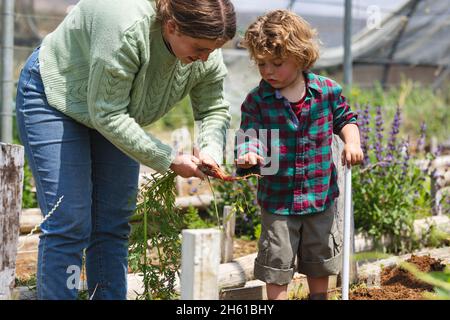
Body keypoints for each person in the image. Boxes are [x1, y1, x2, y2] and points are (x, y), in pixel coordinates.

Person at [15, 0, 236, 300]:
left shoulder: (205, 47)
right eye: (199, 49)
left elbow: (213, 108)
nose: (205, 58)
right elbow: (107, 114)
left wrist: (210, 149)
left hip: (116, 111)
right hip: (58, 97)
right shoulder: (127, 27)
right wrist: (169, 159)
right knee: (70, 221)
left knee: (112, 222)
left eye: (212, 50)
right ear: (172, 27)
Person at [235, 10, 364, 300]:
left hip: (320, 197)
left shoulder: (326, 92)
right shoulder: (257, 100)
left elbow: (347, 119)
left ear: (300, 56)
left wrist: (352, 143)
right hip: (278, 201)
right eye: (262, 64)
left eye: (277, 63)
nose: (268, 71)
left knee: (320, 260)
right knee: (276, 262)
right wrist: (249, 153)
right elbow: (249, 135)